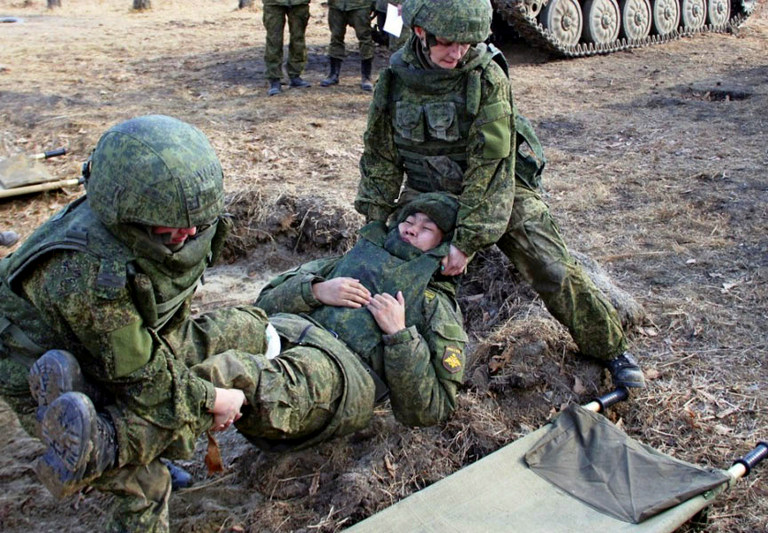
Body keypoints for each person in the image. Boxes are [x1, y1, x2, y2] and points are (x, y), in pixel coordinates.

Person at [0, 115, 272, 531]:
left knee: (191, 361)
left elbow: (165, 310)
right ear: (127, 212)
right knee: (146, 485)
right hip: (31, 359)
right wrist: (215, 401)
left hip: (111, 341)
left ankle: (127, 437)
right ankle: (103, 443)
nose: (190, 232)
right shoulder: (87, 274)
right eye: (172, 225)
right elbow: (147, 382)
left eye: (196, 221)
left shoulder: (181, 226)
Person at [355, 0, 646, 389]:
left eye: (466, 43)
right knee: (387, 264)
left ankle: (609, 347)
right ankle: (383, 364)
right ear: (421, 33)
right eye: (446, 42)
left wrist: (468, 240)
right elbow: (381, 154)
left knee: (551, 266)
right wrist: (375, 219)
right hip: (427, 192)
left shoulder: (487, 77)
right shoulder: (396, 79)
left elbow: (490, 166)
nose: (457, 53)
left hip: (497, 190)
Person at [246, 191, 467, 449]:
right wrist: (315, 291)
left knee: (258, 386)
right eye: (409, 221)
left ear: (444, 247)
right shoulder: (352, 260)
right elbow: (262, 306)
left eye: (427, 228)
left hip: (335, 370)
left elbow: (432, 409)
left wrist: (400, 336)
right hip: (282, 336)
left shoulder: (434, 304)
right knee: (222, 333)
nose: (412, 230)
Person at [320, 0, 375, 91]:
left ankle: (366, 77)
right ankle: (333, 74)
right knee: (336, 37)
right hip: (336, 5)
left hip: (360, 5)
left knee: (365, 39)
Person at [262, 0, 312, 96]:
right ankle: (274, 79)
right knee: (274, 40)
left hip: (299, 3)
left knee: (298, 39)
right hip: (274, 3)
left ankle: (295, 75)